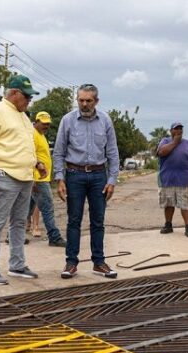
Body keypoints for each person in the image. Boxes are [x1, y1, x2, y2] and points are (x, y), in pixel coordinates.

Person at [0, 74, 45, 285]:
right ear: (14, 93)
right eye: (26, 96)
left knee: (18, 223)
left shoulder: (23, 116)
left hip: (24, 178)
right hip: (4, 177)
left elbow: (21, 145)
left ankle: (17, 265)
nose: (29, 101)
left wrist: (36, 164)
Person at [53, 84, 120, 279]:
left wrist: (112, 180)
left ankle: (99, 262)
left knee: (98, 221)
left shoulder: (105, 120)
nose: (84, 104)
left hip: (99, 176)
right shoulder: (67, 121)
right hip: (74, 175)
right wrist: (60, 179)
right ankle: (71, 263)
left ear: (96, 101)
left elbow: (113, 152)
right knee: (74, 220)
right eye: (81, 100)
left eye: (88, 100)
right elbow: (59, 152)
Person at [156, 122, 188, 237]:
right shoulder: (165, 141)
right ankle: (168, 225)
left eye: (180, 129)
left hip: (185, 180)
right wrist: (175, 142)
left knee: (186, 204)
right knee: (168, 204)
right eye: (176, 129)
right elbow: (161, 152)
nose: (179, 131)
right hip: (168, 179)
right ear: (171, 131)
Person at [30, 111, 67, 247]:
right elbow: (30, 155)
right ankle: (54, 236)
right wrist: (33, 178)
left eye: (48, 124)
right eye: (43, 123)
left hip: (40, 179)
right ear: (36, 122)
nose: (46, 126)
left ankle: (12, 236)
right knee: (47, 207)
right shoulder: (32, 134)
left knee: (25, 210)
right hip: (37, 179)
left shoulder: (41, 135)